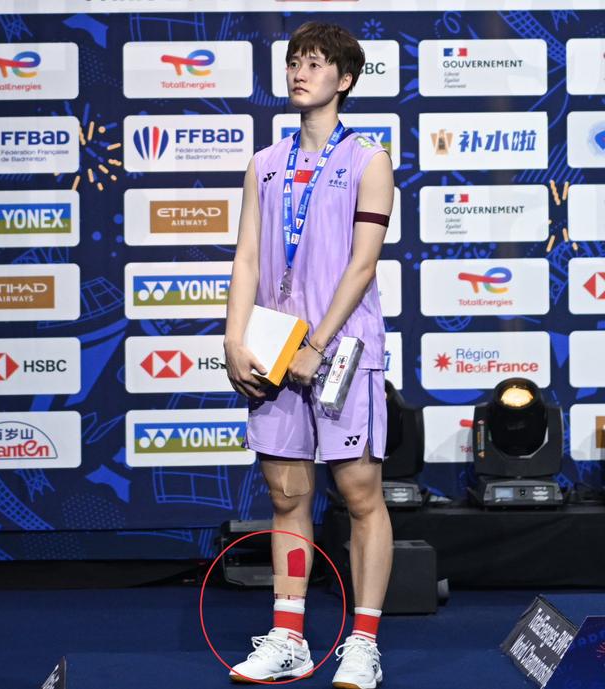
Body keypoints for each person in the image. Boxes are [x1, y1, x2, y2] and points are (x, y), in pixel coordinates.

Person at [224, 21, 394, 689]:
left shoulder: (368, 160)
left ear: (344, 79)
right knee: (286, 494)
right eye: (295, 61)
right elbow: (246, 258)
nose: (300, 72)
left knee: (359, 492)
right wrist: (234, 337)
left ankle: (363, 642)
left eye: (316, 63)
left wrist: (317, 344)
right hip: (274, 346)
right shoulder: (264, 163)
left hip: (343, 348)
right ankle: (289, 636)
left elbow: (362, 264)